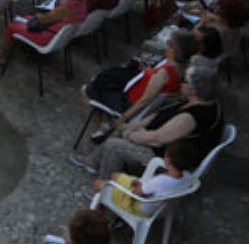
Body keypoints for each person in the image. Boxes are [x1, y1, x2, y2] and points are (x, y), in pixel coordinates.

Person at [72, 63, 223, 182]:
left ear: (193, 89)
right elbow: (157, 116)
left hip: (169, 159)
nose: (180, 82)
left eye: (184, 80)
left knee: (115, 145)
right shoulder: (201, 101)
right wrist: (129, 126)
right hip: (165, 145)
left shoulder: (192, 117)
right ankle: (92, 162)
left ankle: (103, 187)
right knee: (119, 132)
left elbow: (158, 140)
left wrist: (129, 133)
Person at [83, 29, 195, 133]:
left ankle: (103, 128)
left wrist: (123, 118)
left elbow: (144, 101)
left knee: (88, 88)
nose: (166, 45)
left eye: (169, 42)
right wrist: (148, 72)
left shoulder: (164, 74)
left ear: (174, 49)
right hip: (130, 94)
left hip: (126, 103)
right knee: (109, 79)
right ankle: (106, 121)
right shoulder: (180, 70)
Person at [0, 0, 88, 66]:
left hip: (47, 37)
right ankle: (18, 44)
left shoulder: (66, 7)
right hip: (60, 37)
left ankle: (2, 57)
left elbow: (43, 20)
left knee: (12, 27)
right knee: (27, 18)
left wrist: (38, 14)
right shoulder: (83, 5)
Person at [96, 140, 199, 215]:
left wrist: (138, 185)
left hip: (139, 206)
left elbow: (137, 193)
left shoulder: (159, 181)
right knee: (116, 176)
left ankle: (99, 215)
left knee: (99, 184)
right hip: (158, 208)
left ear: (168, 160)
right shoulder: (188, 177)